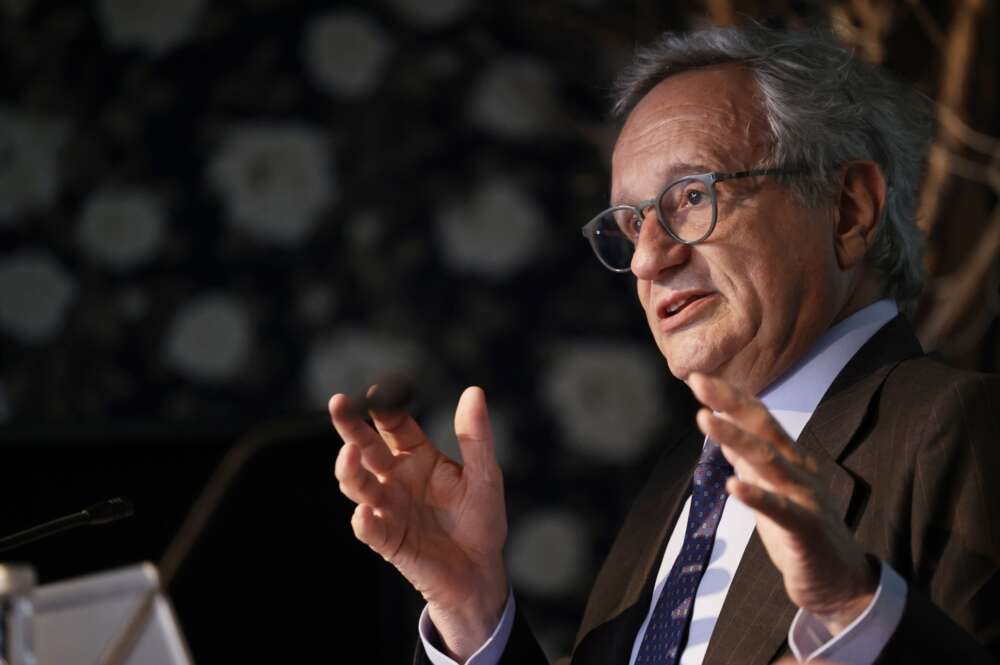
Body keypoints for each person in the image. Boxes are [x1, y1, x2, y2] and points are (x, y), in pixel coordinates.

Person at [329, 23, 1000, 665]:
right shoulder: (682, 479)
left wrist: (857, 608)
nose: (648, 258)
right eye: (629, 222)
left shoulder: (960, 428)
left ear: (849, 209)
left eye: (691, 196)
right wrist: (473, 611)